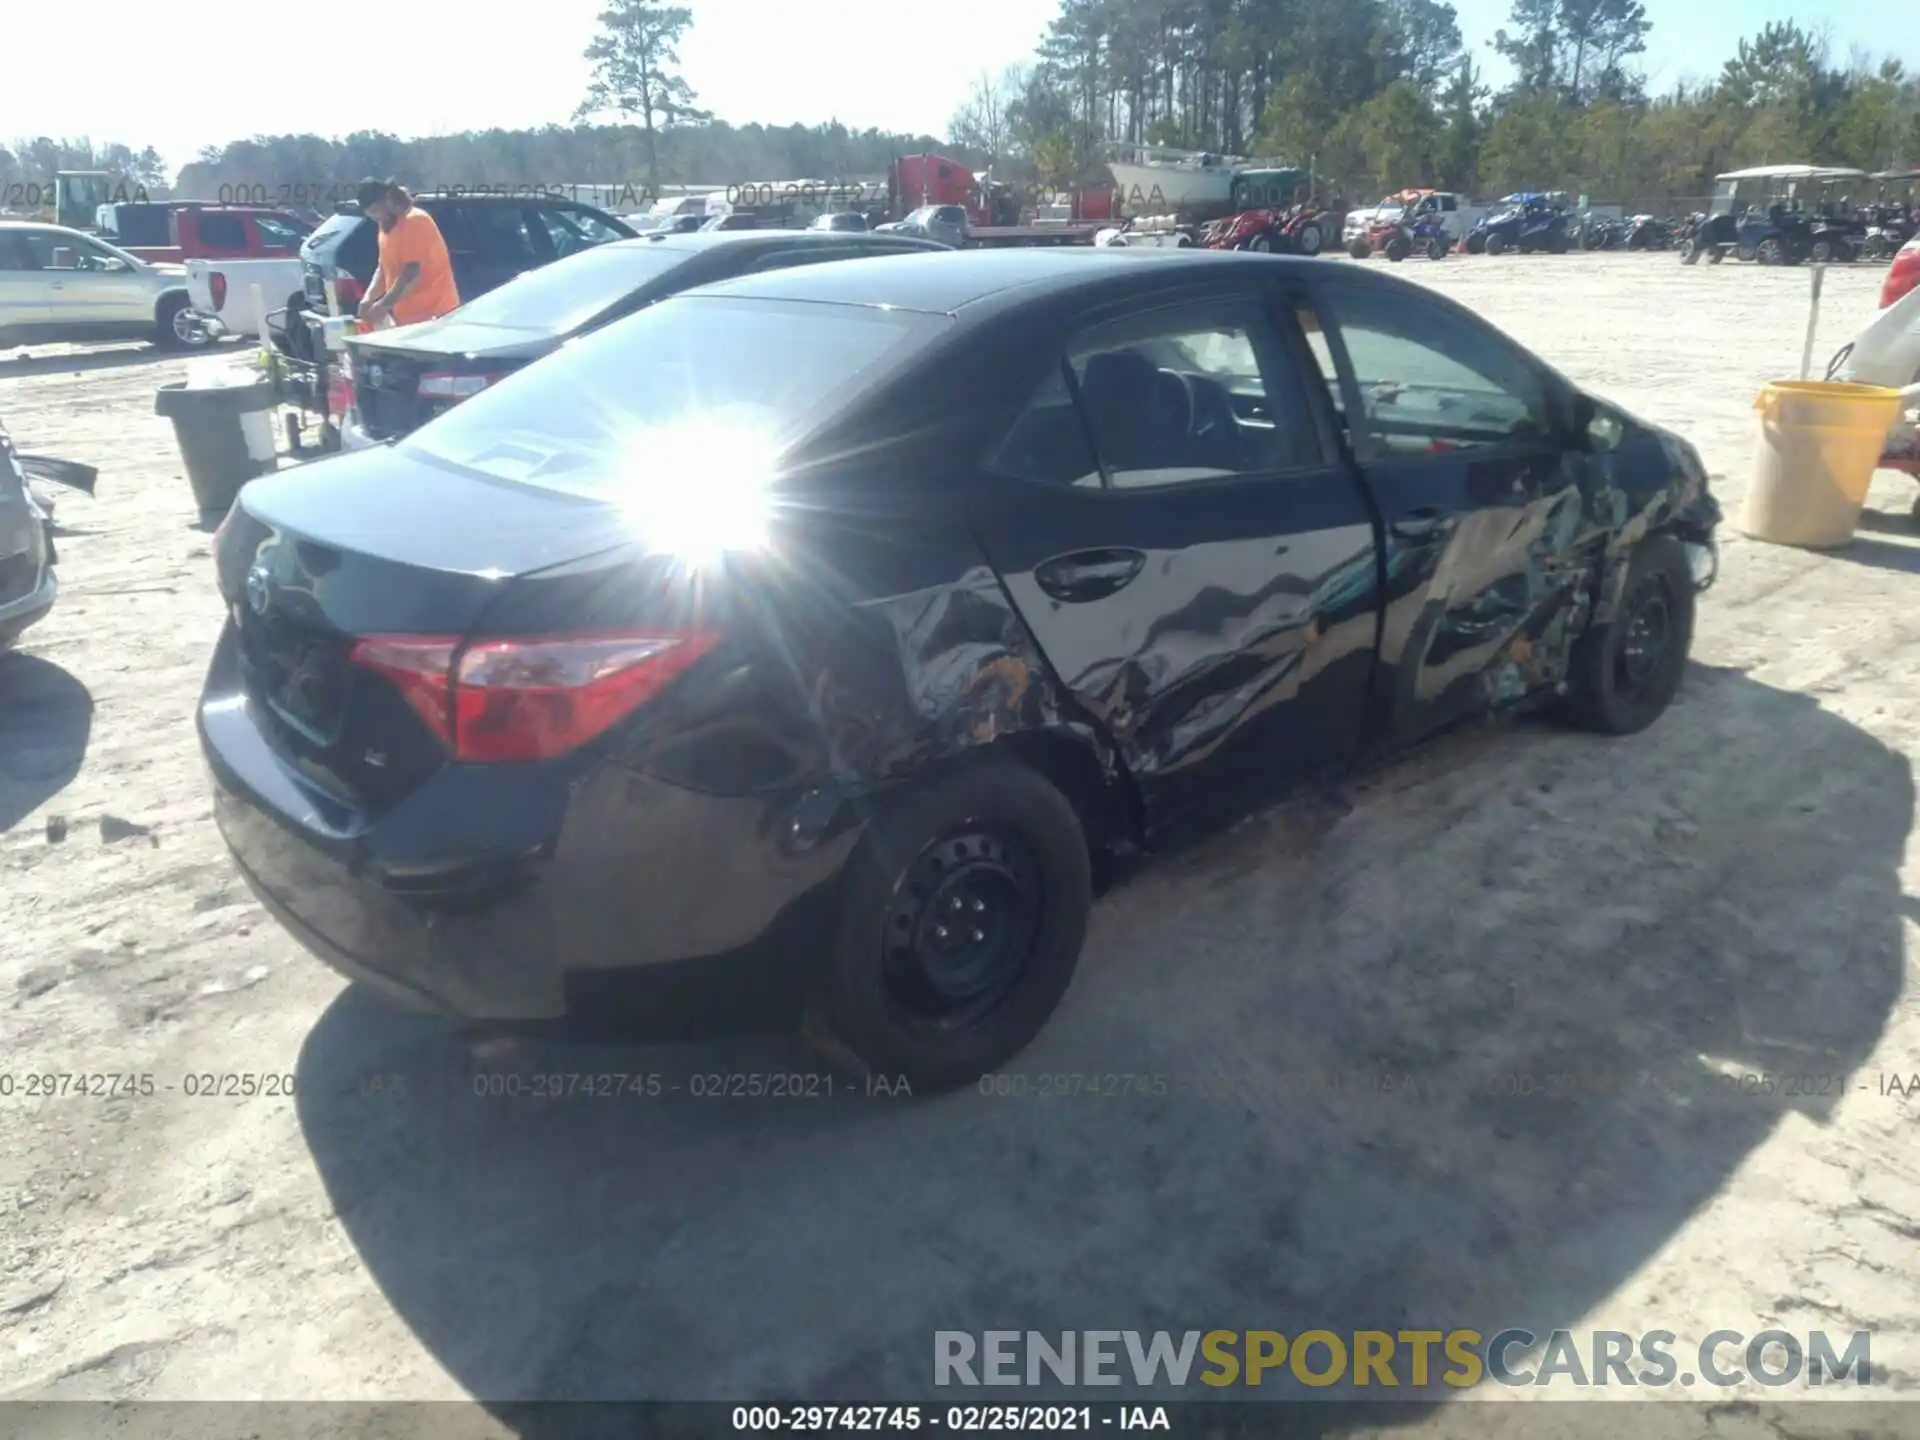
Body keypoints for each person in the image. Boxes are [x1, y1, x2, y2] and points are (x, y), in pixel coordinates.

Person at [354, 178, 460, 329]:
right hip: (408, 319)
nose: (375, 218)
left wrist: (383, 305)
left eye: (376, 211)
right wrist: (368, 299)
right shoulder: (385, 226)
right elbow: (384, 267)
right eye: (370, 214)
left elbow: (411, 274)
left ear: (387, 201)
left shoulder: (415, 221)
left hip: (436, 316)